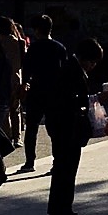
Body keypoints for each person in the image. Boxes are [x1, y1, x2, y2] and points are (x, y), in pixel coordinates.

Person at [45, 37, 100, 215]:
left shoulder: (68, 68)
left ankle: (56, 207)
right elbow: (71, 101)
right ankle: (63, 208)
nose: (93, 66)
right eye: (92, 62)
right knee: (66, 169)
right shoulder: (72, 71)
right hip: (67, 127)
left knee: (61, 167)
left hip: (62, 126)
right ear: (85, 58)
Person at [19, 14, 67, 173]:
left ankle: (29, 162)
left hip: (37, 90)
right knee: (55, 129)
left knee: (32, 127)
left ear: (37, 30)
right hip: (55, 92)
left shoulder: (34, 47)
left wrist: (24, 83)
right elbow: (65, 71)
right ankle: (57, 161)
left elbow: (26, 70)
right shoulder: (59, 47)